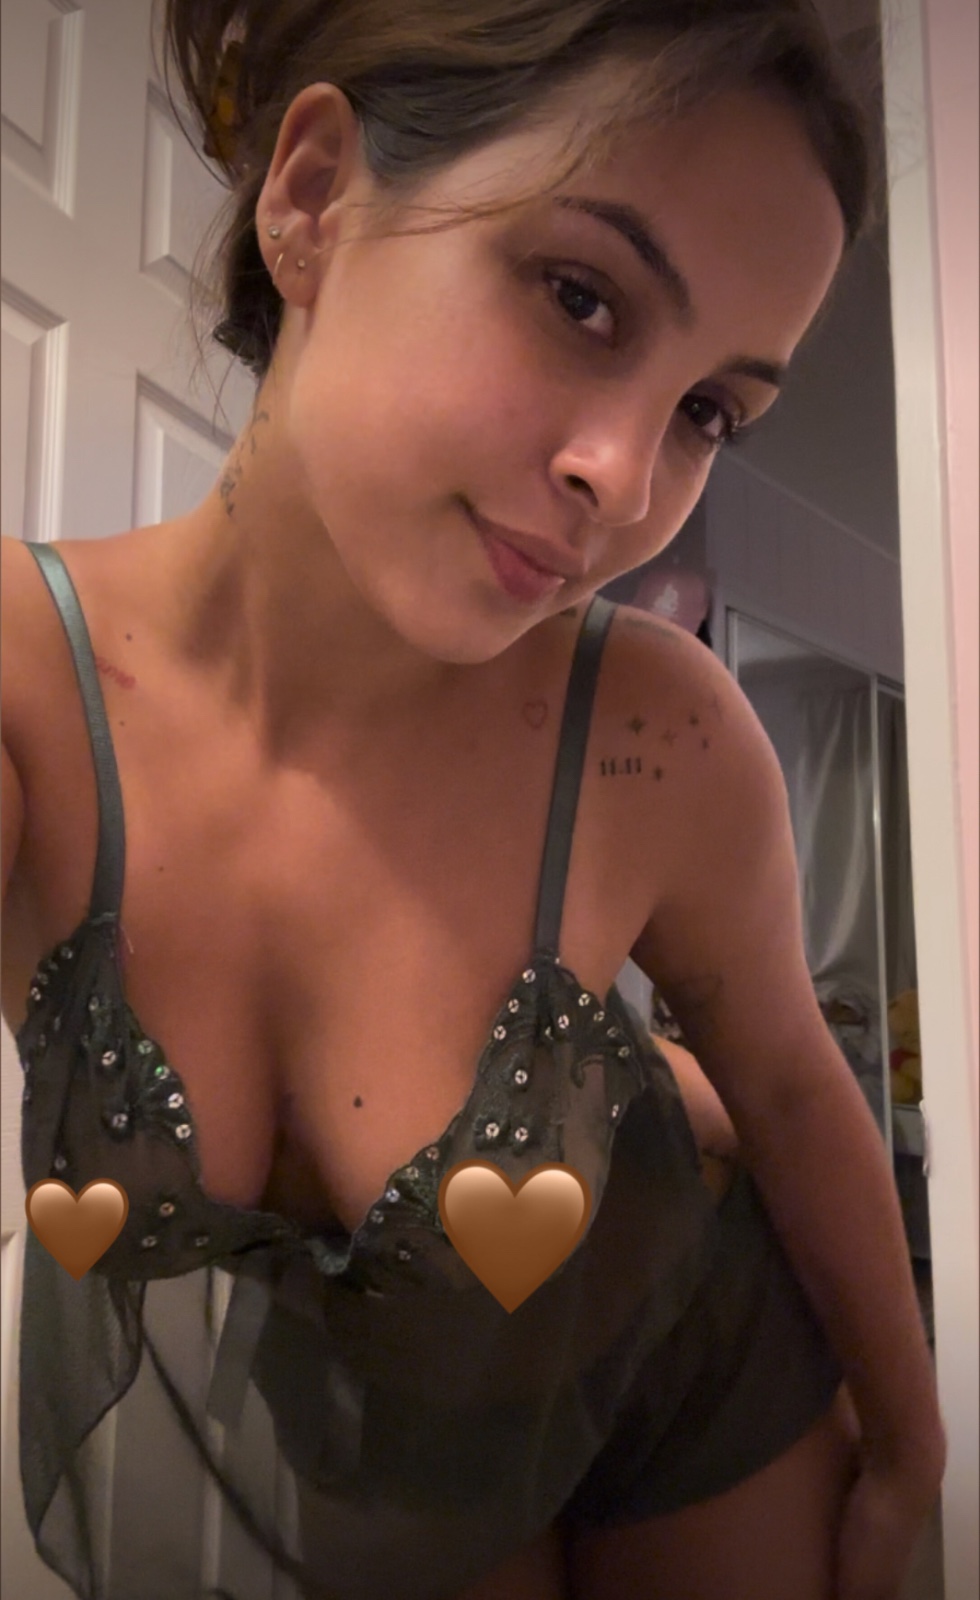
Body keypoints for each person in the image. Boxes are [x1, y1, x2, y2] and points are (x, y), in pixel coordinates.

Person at [0, 2, 945, 1597]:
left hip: (695, 1368)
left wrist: (916, 1451)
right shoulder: (33, 694)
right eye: (581, 295)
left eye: (710, 411)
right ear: (312, 198)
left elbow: (791, 1085)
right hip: (368, 1426)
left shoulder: (661, 740)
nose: (625, 480)